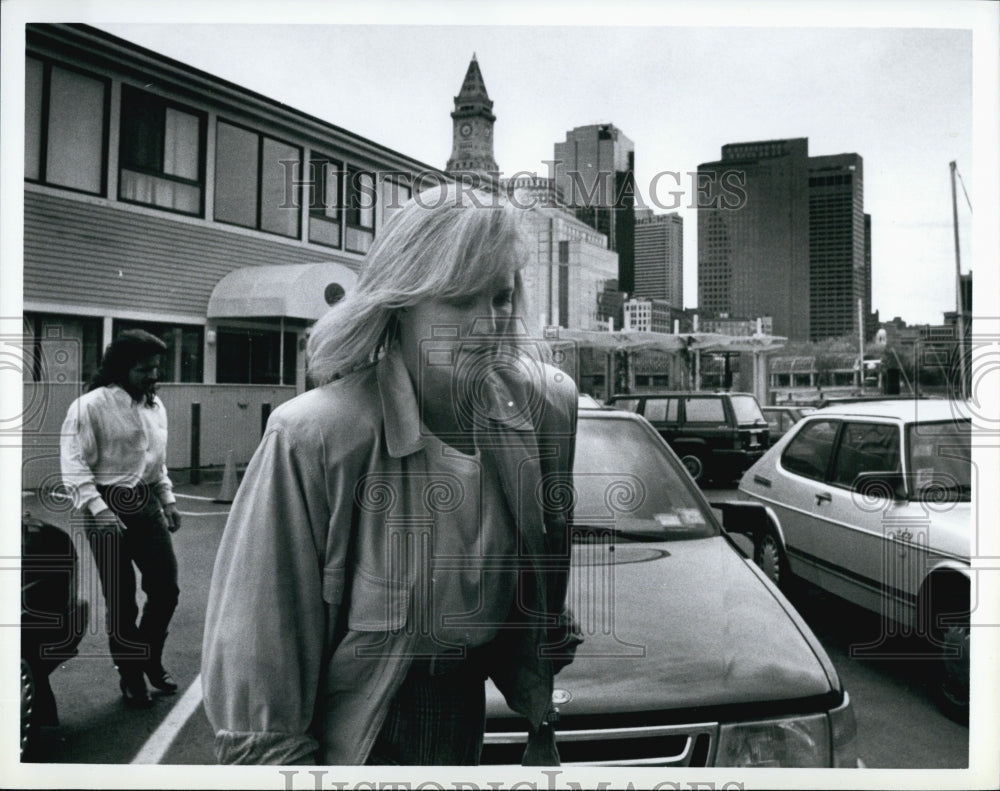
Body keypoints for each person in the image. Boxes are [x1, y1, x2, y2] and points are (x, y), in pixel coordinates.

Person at [202, 183, 581, 766]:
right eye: (459, 301)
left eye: (501, 296)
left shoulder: (536, 416)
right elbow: (260, 668)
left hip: (469, 717)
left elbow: (537, 577)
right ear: (399, 302)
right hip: (356, 738)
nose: (488, 324)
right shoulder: (314, 437)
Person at [60, 329, 182, 708]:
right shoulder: (91, 406)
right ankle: (131, 676)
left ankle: (147, 656)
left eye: (156, 369)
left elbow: (154, 463)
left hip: (145, 504)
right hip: (104, 507)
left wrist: (167, 500)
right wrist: (99, 509)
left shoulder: (154, 406)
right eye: (145, 369)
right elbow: (73, 462)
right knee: (122, 600)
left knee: (165, 589)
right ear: (122, 367)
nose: (153, 376)